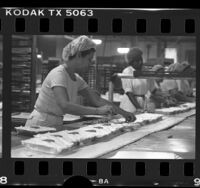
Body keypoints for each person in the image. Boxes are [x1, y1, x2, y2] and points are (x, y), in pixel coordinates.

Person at [25, 35, 136, 128]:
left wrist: (124, 113)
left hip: (56, 122)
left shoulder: (76, 78)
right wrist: (97, 111)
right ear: (78, 55)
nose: (90, 63)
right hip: (39, 123)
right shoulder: (58, 74)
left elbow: (97, 100)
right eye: (89, 59)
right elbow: (65, 105)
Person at [119, 47, 149, 113]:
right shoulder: (127, 72)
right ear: (132, 62)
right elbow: (129, 92)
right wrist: (138, 108)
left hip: (142, 103)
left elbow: (151, 88)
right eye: (137, 61)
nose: (140, 62)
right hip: (130, 105)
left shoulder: (145, 70)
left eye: (141, 60)